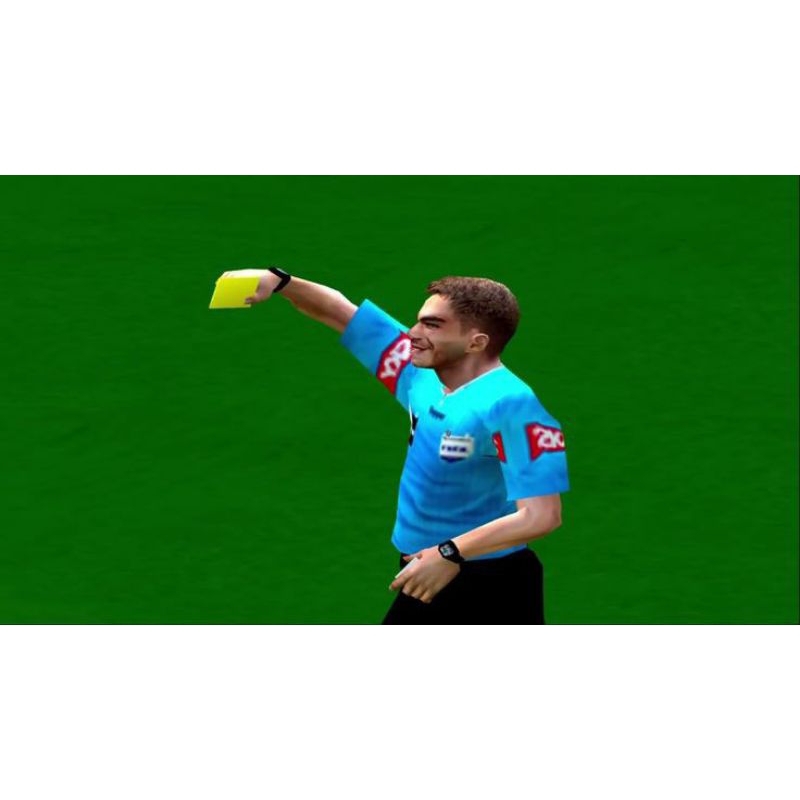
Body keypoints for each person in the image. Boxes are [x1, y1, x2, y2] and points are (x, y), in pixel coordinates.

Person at [221, 266, 569, 624]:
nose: (413, 334)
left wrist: (450, 553)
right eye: (420, 321)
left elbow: (542, 516)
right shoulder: (422, 375)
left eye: (433, 325)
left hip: (484, 578)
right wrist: (281, 282)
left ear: (476, 343)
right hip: (427, 567)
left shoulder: (512, 406)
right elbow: (340, 313)